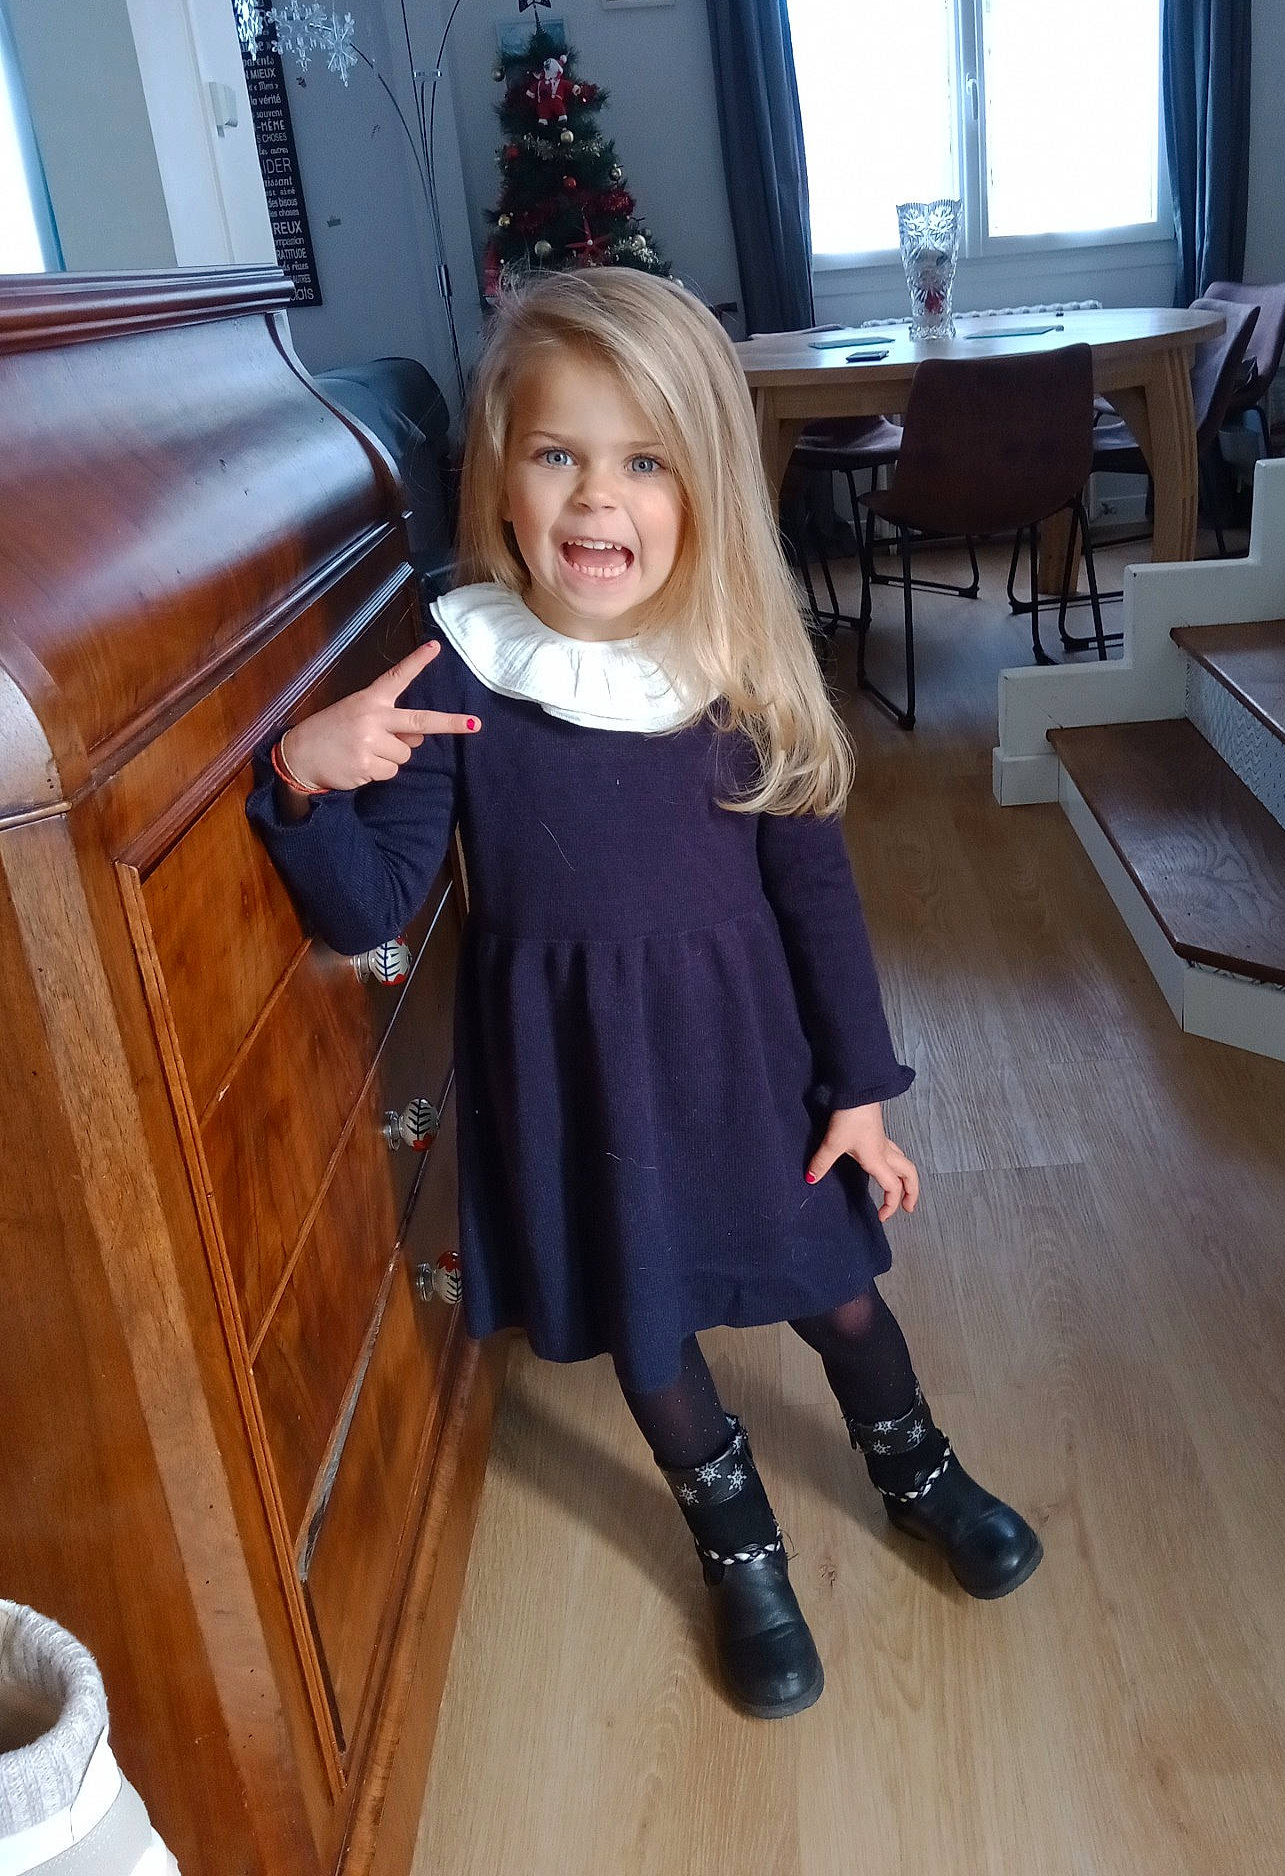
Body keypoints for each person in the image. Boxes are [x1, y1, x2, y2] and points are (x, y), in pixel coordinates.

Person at [246, 269, 1040, 1721]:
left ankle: (916, 1466)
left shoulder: (729, 669)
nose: (595, 500)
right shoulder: (466, 663)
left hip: (752, 1065)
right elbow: (367, 904)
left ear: (704, 485)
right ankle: (737, 1544)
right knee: (651, 1333)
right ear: (498, 467)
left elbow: (815, 896)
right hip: (574, 1079)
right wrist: (308, 775)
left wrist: (858, 1093)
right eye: (557, 454)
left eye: (643, 461)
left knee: (841, 1303)